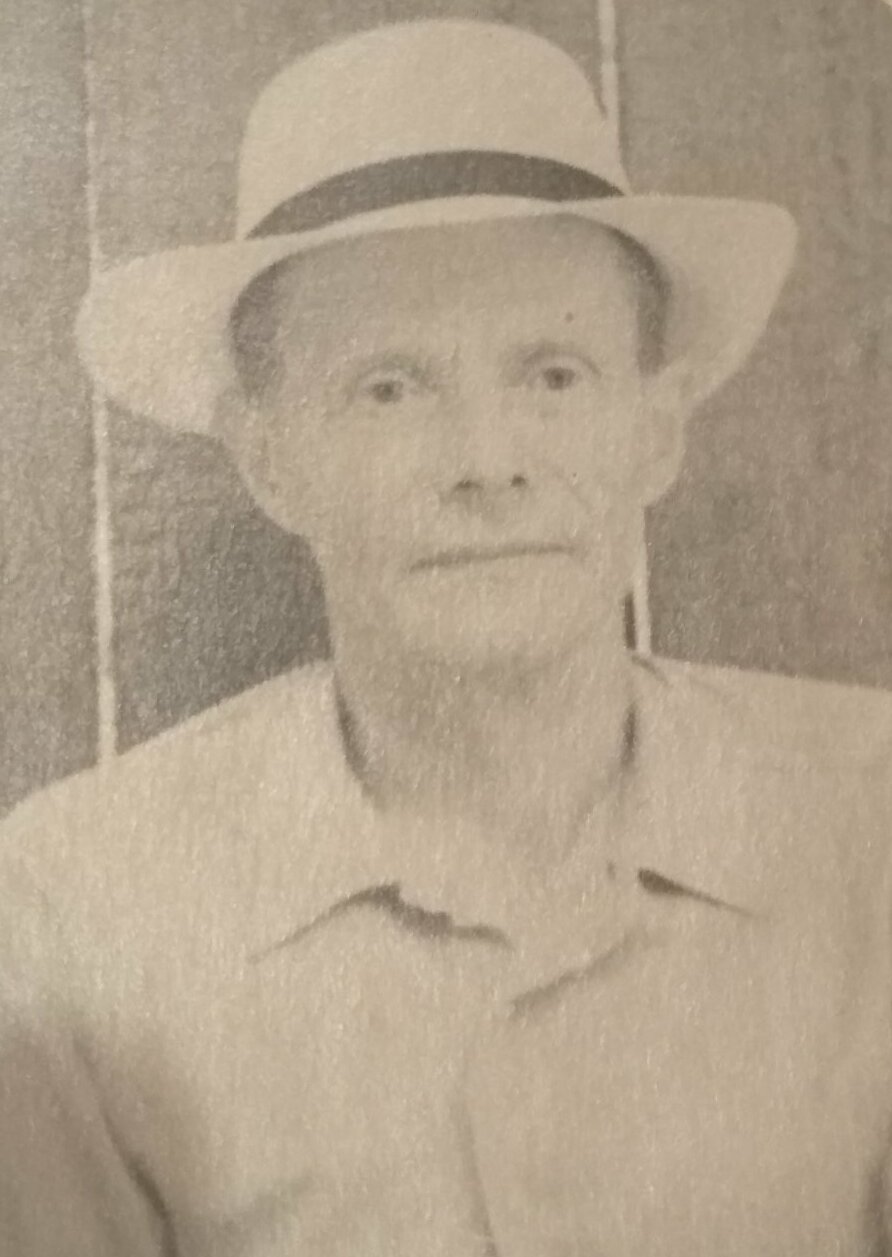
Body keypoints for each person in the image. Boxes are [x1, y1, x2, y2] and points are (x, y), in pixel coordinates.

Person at [2, 18, 891, 1257]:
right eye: (389, 388)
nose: (485, 462)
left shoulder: (866, 820)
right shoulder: (72, 909)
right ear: (269, 460)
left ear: (657, 428)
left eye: (554, 375)